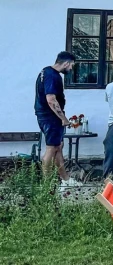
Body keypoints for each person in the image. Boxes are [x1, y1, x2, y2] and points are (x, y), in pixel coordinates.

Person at [34, 51, 77, 186]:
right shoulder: (53, 76)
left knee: (58, 146)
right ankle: (47, 184)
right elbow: (51, 100)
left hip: (46, 115)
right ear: (66, 63)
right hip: (50, 116)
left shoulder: (45, 71)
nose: (71, 69)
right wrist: (63, 118)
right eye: (71, 66)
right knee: (51, 148)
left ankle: (65, 179)